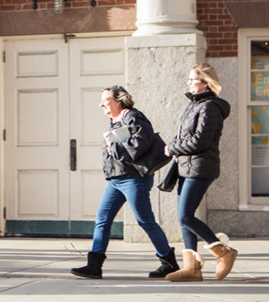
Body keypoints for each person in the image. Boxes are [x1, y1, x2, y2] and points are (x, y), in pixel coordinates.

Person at [70, 86, 178, 280]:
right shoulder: (116, 121)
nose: (101, 104)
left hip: (133, 179)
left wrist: (116, 149)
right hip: (116, 179)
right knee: (103, 218)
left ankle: (169, 263)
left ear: (118, 101)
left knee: (145, 221)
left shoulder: (133, 117)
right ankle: (94, 265)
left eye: (105, 100)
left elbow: (141, 143)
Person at [163, 63, 237, 282]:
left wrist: (173, 148)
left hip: (201, 166)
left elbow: (200, 141)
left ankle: (224, 253)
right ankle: (192, 268)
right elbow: (184, 136)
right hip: (186, 165)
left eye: (193, 79)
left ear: (206, 82)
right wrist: (175, 147)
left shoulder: (211, 107)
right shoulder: (194, 105)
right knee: (184, 217)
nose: (189, 83)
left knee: (185, 215)